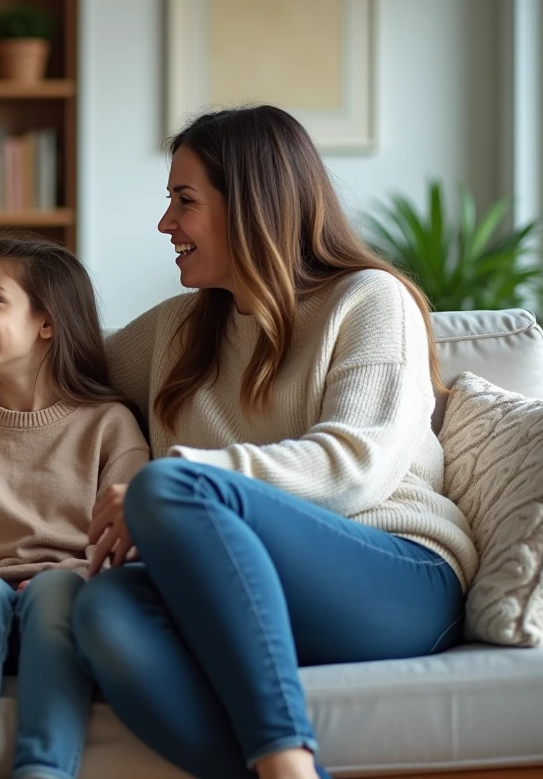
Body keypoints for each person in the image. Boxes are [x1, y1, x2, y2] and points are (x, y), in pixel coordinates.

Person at [74, 105, 478, 779]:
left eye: (184, 200)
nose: (165, 224)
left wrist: (183, 482)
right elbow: (57, 366)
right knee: (103, 606)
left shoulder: (370, 301)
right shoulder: (178, 330)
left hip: (395, 579)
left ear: (252, 203)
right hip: (254, 598)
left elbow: (356, 467)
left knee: (170, 485)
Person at [0, 238, 151, 779]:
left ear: (48, 321)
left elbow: (122, 538)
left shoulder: (109, 424)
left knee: (55, 590)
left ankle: (43, 768)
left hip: (67, 590)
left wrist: (68, 572)